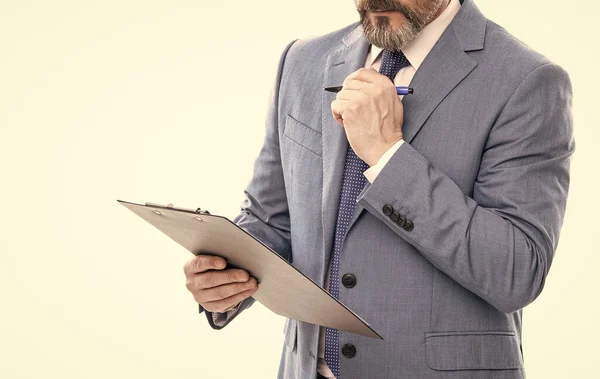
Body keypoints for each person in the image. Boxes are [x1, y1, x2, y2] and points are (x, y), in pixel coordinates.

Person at [183, 0, 575, 377]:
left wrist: (387, 156)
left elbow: (516, 272)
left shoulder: (527, 80)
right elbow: (271, 220)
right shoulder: (302, 61)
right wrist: (224, 280)